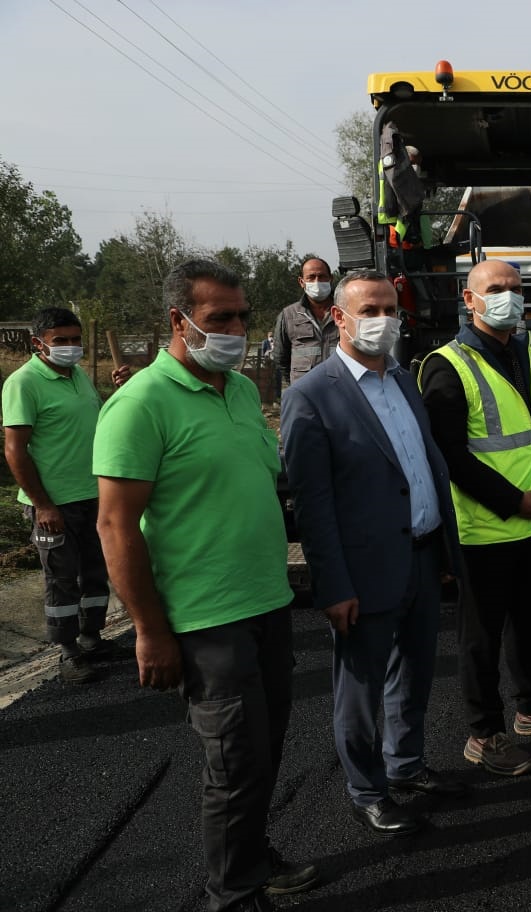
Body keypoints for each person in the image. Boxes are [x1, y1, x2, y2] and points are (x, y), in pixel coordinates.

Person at [94, 260, 315, 911]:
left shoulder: (242, 391)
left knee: (266, 747)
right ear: (179, 321)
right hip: (202, 619)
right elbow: (115, 527)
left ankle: (252, 856)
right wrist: (150, 631)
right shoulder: (138, 406)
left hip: (267, 603)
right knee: (235, 764)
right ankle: (234, 893)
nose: (238, 330)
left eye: (243, 316)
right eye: (220, 319)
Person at [281, 269, 467, 839]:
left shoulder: (404, 380)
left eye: (390, 308)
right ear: (339, 317)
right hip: (362, 573)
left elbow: (422, 466)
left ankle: (405, 765)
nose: (383, 319)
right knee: (359, 692)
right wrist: (332, 585)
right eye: (370, 310)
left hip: (421, 555)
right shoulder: (310, 396)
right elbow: (312, 506)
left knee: (414, 675)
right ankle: (367, 788)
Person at [418, 260, 531, 779]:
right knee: (481, 639)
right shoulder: (447, 364)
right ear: (469, 300)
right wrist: (515, 503)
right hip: (484, 529)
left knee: (530, 626)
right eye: (495, 289)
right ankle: (484, 735)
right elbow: (452, 455)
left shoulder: (525, 351)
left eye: (515, 288)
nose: (507, 297)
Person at [2, 308, 129, 685]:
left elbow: (91, 424)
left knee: (95, 572)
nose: (71, 347)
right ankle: (68, 652)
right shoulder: (23, 383)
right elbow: (15, 451)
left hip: (93, 495)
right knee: (61, 579)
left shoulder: (78, 376)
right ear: (37, 343)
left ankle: (92, 638)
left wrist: (122, 393)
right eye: (61, 341)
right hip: (53, 505)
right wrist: (42, 503)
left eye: (76, 340)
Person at [272, 257, 339, 387]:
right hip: (305, 392)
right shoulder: (288, 315)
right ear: (301, 282)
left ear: (331, 279)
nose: (317, 281)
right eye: (311, 277)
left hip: (340, 389)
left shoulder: (344, 312)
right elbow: (281, 358)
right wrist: (295, 384)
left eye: (322, 276)